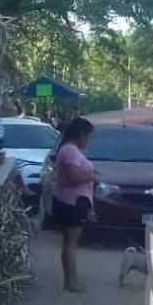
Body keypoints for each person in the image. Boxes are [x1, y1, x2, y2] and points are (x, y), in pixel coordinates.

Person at [53, 118, 96, 293]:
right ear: (81, 134)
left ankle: (71, 279)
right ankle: (71, 281)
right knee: (71, 243)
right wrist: (93, 176)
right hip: (72, 202)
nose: (89, 141)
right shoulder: (70, 151)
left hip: (69, 200)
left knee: (68, 243)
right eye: (88, 136)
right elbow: (73, 177)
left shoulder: (69, 150)